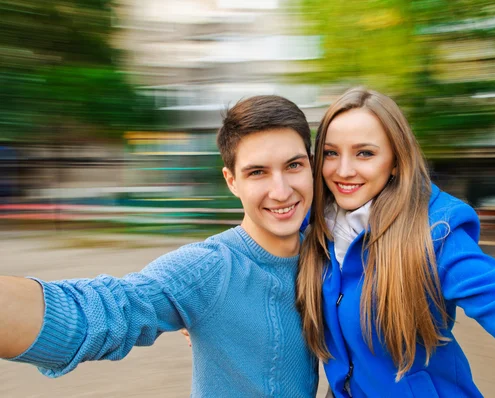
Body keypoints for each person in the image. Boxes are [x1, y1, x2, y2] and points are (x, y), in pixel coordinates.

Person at [0, 95, 319, 397]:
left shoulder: (326, 254)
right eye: (257, 172)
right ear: (231, 180)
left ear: (311, 165)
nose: (281, 191)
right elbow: (110, 310)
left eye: (293, 165)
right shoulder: (208, 268)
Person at [296, 87, 495, 397]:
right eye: (331, 153)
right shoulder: (315, 228)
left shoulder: (434, 232)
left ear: (396, 161)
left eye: (365, 153)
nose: (343, 170)